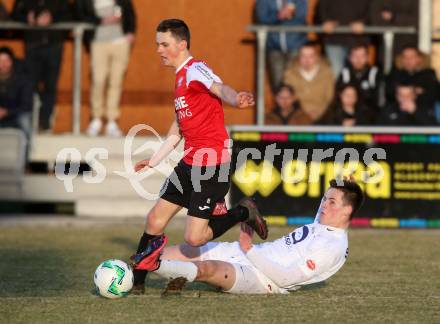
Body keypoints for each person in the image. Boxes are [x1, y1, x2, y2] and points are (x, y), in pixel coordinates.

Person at [129, 19, 268, 294]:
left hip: (212, 166)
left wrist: (235, 98)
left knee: (194, 238)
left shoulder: (195, 70)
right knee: (155, 219)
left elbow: (220, 88)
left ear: (182, 45)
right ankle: (138, 282)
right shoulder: (179, 79)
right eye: (157, 44)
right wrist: (154, 160)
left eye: (164, 44)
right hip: (189, 164)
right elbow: (177, 130)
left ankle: (243, 211)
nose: (158, 50)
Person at [137, 178, 364, 295]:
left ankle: (151, 266)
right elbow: (339, 199)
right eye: (325, 199)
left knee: (207, 268)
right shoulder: (323, 221)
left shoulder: (332, 246)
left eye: (331, 202)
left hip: (263, 279)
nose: (323, 204)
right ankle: (130, 269)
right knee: (166, 252)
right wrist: (346, 184)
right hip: (246, 252)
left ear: (347, 212)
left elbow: (286, 279)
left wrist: (249, 250)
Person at [75, 0, 136, 137]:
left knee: (115, 82)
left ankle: (111, 121)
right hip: (98, 42)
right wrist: (101, 21)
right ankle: (96, 118)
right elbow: (79, 14)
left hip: (120, 42)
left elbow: (130, 13)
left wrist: (131, 32)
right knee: (98, 80)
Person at [11, 0, 71, 132]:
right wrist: (27, 18)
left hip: (54, 45)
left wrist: (52, 18)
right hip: (32, 45)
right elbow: (14, 14)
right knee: (31, 84)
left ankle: (45, 122)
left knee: (50, 86)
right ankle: (32, 120)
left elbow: (70, 14)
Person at [254, 0, 308, 93]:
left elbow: (301, 17)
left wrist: (290, 14)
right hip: (274, 46)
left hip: (295, 44)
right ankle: (280, 105)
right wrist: (278, 16)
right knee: (277, 82)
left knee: (295, 79)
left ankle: (295, 106)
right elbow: (262, 18)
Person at [283, 41, 335, 123]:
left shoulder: (327, 73)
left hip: (323, 117)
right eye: (303, 56)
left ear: (317, 57)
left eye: (311, 56)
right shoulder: (290, 74)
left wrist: (318, 112)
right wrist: (303, 114)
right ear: (299, 57)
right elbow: (288, 99)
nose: (307, 60)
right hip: (297, 118)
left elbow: (330, 98)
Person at [316, 0, 370, 77]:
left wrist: (364, 23)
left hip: (358, 42)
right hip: (334, 40)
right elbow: (320, 10)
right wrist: (325, 21)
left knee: (359, 76)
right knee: (337, 74)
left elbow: (372, 10)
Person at [0, 46, 33, 152]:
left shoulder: (22, 80)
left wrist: (7, 112)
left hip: (15, 116)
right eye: (0, 61)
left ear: (12, 62)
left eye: (6, 60)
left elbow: (27, 105)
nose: (3, 64)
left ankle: (26, 156)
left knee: (25, 119)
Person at [336, 44, 383, 110]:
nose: (358, 59)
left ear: (367, 58)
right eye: (355, 56)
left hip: (369, 113)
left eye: (362, 56)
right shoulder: (345, 73)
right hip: (349, 112)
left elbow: (379, 100)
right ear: (350, 58)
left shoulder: (374, 73)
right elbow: (338, 98)